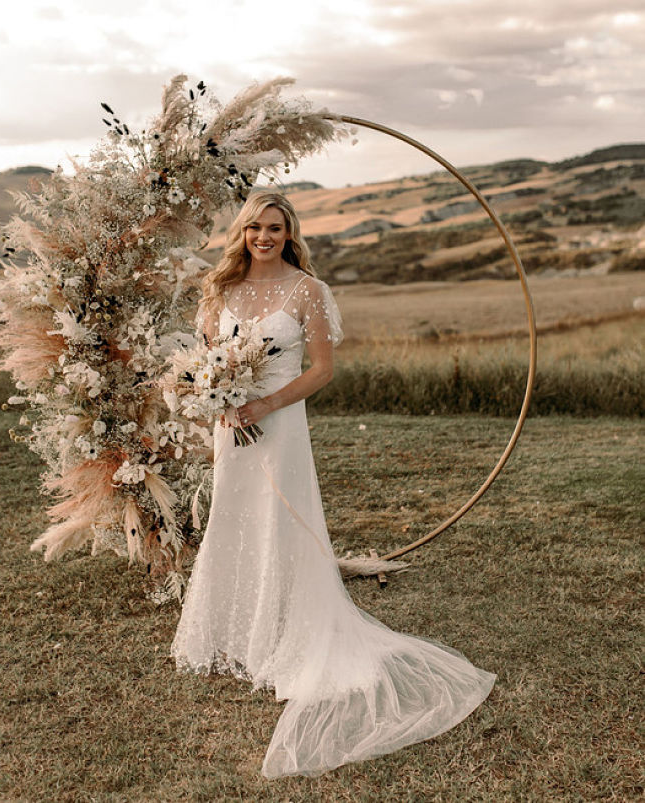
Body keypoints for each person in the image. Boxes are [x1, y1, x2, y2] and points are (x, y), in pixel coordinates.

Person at [171, 190, 496, 778]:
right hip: (230, 425)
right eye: (254, 228)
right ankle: (243, 632)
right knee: (234, 519)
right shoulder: (220, 290)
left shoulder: (307, 291)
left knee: (281, 520)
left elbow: (322, 369)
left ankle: (290, 637)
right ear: (242, 232)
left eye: (274, 228)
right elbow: (204, 357)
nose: (263, 237)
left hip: (281, 425)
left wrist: (264, 402)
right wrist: (214, 393)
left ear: (289, 233)